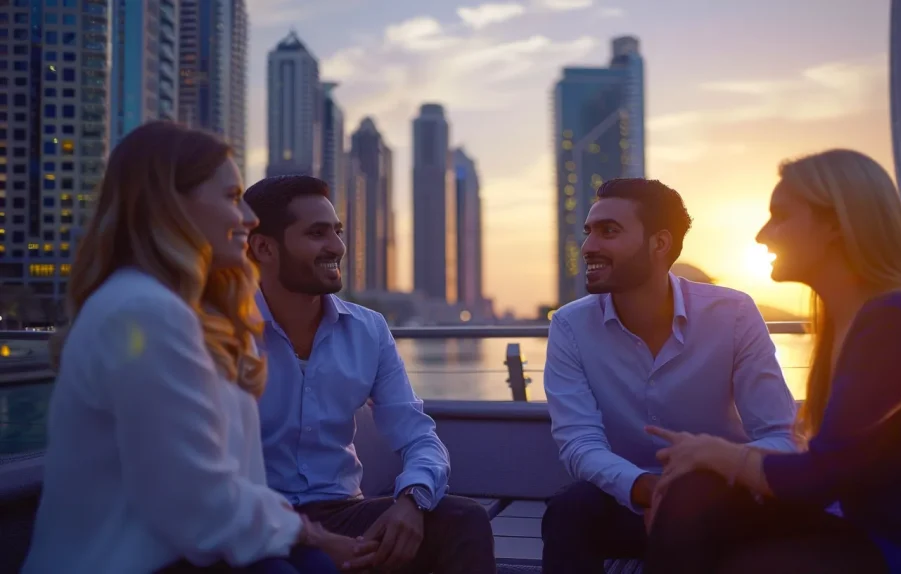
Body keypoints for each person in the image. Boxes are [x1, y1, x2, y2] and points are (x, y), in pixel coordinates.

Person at [645, 149, 901, 573]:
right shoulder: (853, 323)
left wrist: (713, 452)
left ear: (834, 224)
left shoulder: (898, 321)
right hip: (894, 531)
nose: (762, 235)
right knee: (693, 497)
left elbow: (820, 479)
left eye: (781, 216)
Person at [20, 121, 359, 573]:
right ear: (172, 205)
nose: (249, 218)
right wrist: (307, 533)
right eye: (231, 198)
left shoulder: (194, 316)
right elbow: (193, 498)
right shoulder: (141, 312)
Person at [541, 178, 798, 573]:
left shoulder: (733, 315)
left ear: (659, 244)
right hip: (627, 495)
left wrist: (710, 474)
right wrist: (646, 489)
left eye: (609, 231)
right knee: (567, 511)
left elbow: (780, 436)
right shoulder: (570, 326)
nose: (589, 246)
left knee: (692, 506)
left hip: (720, 501)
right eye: (589, 231)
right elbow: (579, 443)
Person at [243, 175, 497, 574]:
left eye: (337, 232)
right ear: (264, 248)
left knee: (464, 520)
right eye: (317, 233)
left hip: (342, 511)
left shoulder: (368, 329)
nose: (337, 247)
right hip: (252, 516)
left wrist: (412, 500)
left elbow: (417, 434)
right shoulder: (225, 331)